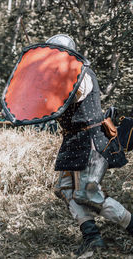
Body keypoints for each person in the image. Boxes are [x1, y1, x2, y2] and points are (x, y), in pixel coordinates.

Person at [48, 34, 132, 256]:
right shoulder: (59, 76)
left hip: (90, 141)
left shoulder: (80, 73)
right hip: (73, 141)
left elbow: (70, 96)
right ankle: (92, 237)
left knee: (88, 194)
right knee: (65, 189)